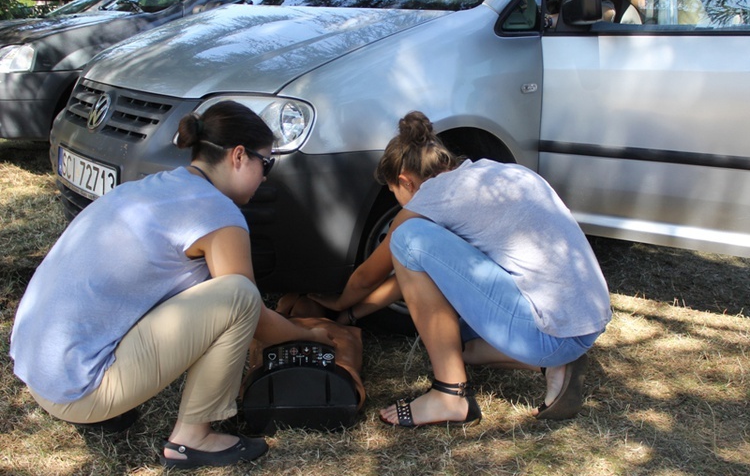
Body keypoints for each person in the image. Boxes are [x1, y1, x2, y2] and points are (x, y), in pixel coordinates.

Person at [9, 100, 331, 469]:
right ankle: (193, 439)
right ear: (239, 156)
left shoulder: (155, 186)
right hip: (77, 388)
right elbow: (253, 317)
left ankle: (104, 402)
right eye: (266, 164)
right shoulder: (218, 214)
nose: (265, 177)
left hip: (40, 370)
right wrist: (310, 336)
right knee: (239, 296)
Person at [311, 111, 611, 426]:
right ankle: (557, 364)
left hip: (547, 331)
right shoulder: (489, 175)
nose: (400, 202)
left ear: (404, 181)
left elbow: (366, 277)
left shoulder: (432, 197)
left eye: (394, 193)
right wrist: (352, 316)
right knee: (457, 346)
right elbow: (413, 276)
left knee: (406, 238)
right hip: (581, 326)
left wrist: (338, 303)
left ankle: (449, 396)